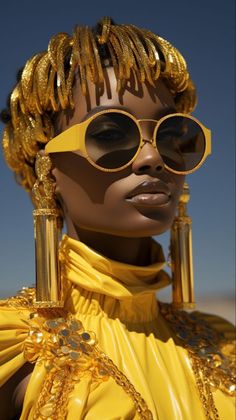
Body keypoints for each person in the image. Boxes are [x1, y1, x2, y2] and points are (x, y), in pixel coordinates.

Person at [0, 17, 235, 420]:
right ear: (46, 167)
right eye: (110, 134)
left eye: (174, 136)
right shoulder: (15, 348)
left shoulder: (224, 345)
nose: (152, 157)